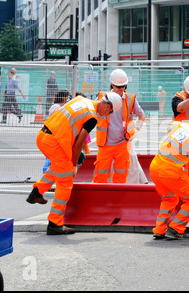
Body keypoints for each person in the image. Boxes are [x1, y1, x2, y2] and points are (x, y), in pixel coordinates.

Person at [26, 92, 123, 235]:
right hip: (55, 142)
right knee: (65, 183)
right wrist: (73, 166)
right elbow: (78, 145)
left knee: (57, 167)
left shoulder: (82, 100)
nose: (107, 115)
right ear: (107, 106)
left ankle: (37, 192)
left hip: (43, 136)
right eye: (110, 111)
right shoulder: (92, 117)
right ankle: (55, 224)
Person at [151, 109, 189, 240]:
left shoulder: (177, 124)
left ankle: (160, 229)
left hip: (155, 167)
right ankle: (175, 228)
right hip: (171, 172)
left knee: (169, 198)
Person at [93, 69, 146, 184]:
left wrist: (136, 129)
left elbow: (142, 116)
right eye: (118, 87)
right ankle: (98, 198)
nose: (121, 89)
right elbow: (92, 111)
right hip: (105, 144)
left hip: (123, 143)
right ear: (112, 84)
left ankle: (118, 198)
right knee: (100, 175)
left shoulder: (130, 99)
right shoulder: (102, 97)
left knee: (121, 175)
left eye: (124, 86)